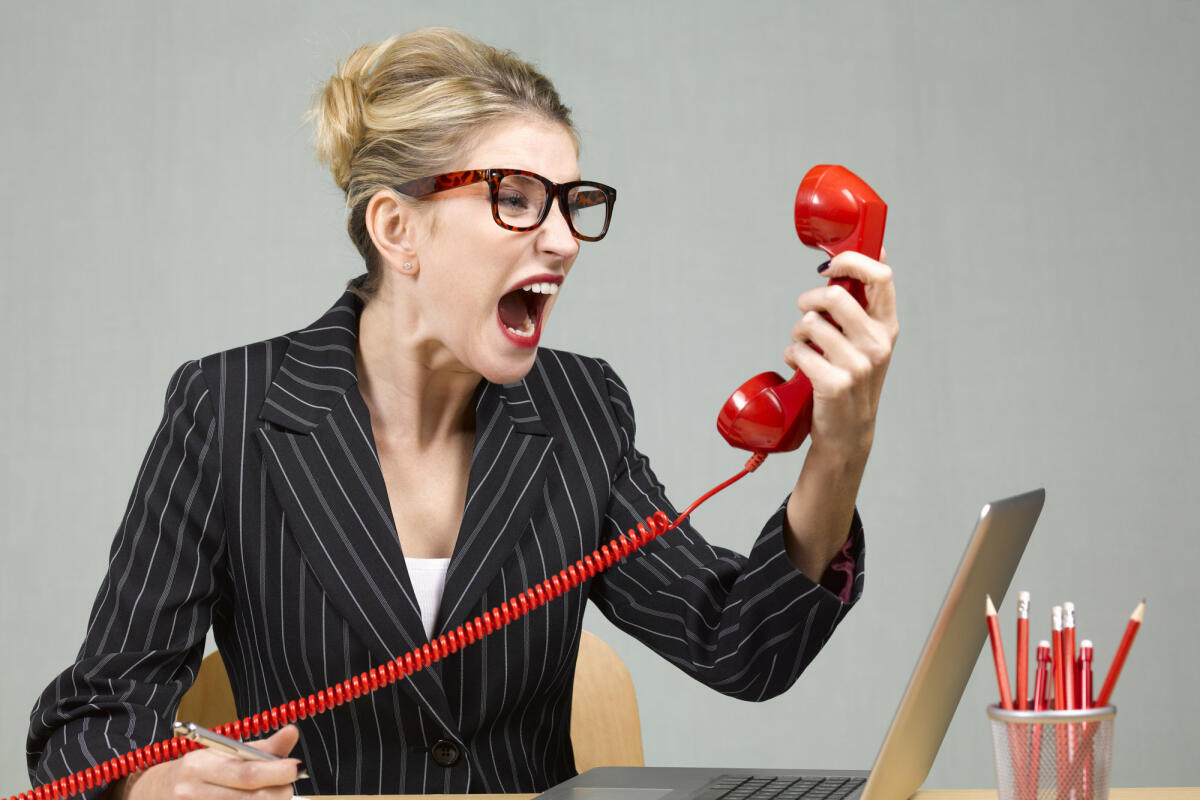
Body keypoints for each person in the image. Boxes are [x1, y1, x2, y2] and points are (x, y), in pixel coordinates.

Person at [26, 27, 898, 800]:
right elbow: (89, 723)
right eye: (515, 198)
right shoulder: (229, 411)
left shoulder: (579, 410)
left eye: (571, 203)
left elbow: (743, 648)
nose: (560, 240)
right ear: (397, 230)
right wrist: (149, 783)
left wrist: (839, 444)